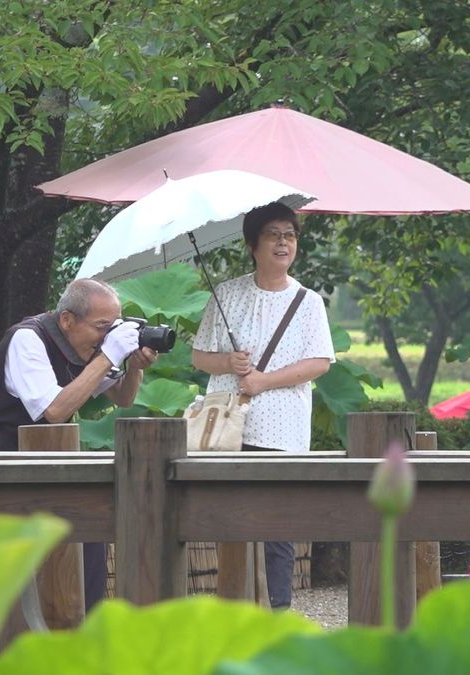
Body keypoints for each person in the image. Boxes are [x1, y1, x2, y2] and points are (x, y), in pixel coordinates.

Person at [0, 277, 157, 608]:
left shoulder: (86, 347)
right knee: (19, 557)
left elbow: (122, 397)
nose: (105, 337)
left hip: (27, 466)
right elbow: (53, 411)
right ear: (67, 320)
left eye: (112, 328)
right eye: (100, 327)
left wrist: (134, 367)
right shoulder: (28, 339)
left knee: (90, 528)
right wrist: (108, 355)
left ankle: (81, 629)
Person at [191, 201, 335, 609]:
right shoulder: (227, 293)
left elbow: (319, 362)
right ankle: (234, 608)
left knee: (277, 523)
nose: (283, 242)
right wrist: (228, 363)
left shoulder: (309, 302)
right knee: (230, 517)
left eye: (290, 235)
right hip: (228, 423)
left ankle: (277, 610)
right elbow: (200, 356)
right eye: (273, 234)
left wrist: (263, 380)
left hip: (281, 428)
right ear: (252, 243)